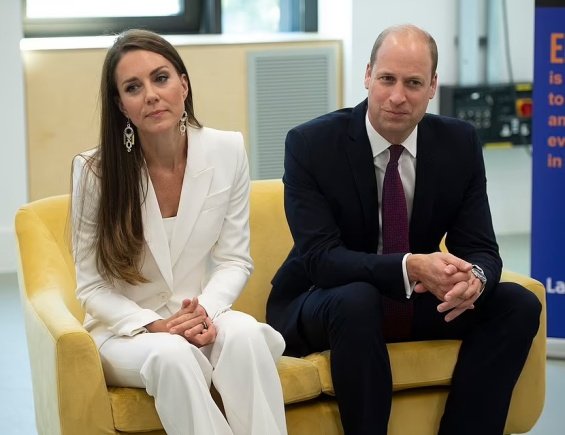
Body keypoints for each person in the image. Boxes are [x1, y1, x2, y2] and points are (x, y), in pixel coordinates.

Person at [266, 24, 541, 435]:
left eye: (413, 83)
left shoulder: (459, 143)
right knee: (356, 300)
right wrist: (411, 267)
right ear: (367, 75)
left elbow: (481, 246)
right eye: (386, 79)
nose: (397, 97)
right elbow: (322, 261)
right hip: (320, 300)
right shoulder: (311, 145)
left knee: (517, 305)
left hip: (410, 300)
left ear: (432, 86)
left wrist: (476, 281)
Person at [71, 29, 287, 435]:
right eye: (133, 87)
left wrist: (202, 311)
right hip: (129, 332)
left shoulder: (228, 150)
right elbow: (91, 287)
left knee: (244, 337)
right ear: (121, 105)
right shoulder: (94, 172)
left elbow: (234, 259)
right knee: (174, 356)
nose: (151, 94)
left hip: (197, 313)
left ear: (183, 85)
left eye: (161, 78)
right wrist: (154, 325)